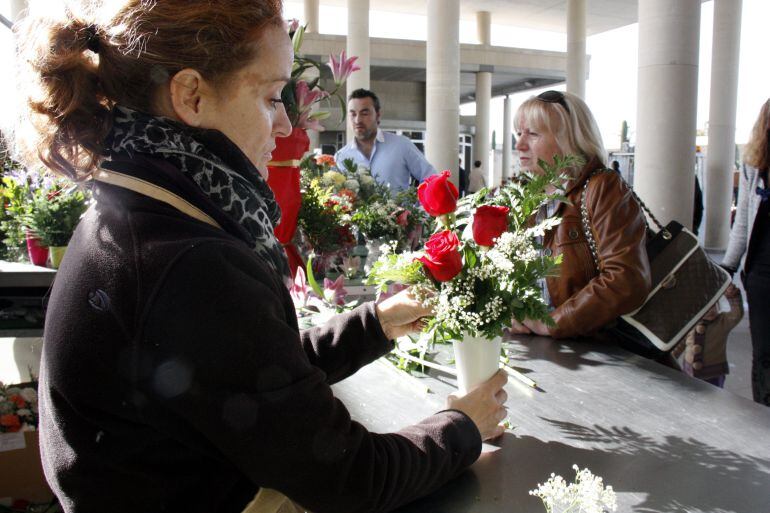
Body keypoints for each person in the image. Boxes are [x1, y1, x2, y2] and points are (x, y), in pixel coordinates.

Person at [13, 2, 508, 512]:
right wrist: (463, 425)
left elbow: (248, 378)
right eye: (272, 97)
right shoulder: (189, 261)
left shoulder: (137, 212)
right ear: (191, 95)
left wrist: (375, 324)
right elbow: (350, 477)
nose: (286, 125)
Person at [508, 90, 651, 341]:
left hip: (598, 351)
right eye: (519, 134)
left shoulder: (602, 188)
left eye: (532, 134)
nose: (519, 144)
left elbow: (626, 278)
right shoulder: (528, 198)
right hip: (548, 349)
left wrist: (554, 322)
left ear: (568, 139)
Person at [722, 98, 770, 407]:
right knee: (764, 353)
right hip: (762, 274)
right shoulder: (755, 164)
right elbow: (742, 223)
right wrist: (726, 267)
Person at [334, 88, 436, 192]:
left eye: (364, 113)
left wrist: (417, 207)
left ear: (378, 115)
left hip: (401, 208)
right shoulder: (340, 157)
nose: (358, 120)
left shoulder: (401, 145)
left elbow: (431, 179)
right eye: (353, 114)